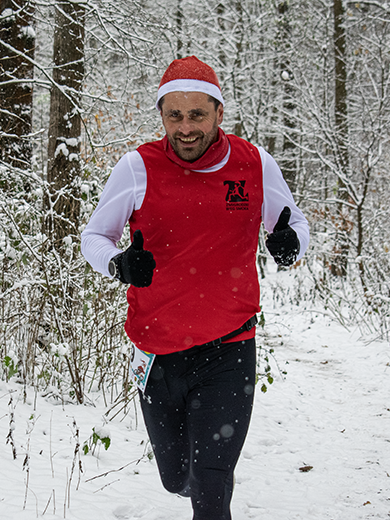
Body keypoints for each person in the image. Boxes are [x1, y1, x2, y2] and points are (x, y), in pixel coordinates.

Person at [80, 55, 309, 520]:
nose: (185, 128)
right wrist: (119, 263)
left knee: (210, 481)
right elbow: (94, 237)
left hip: (230, 348)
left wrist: (290, 243)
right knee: (177, 478)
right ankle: (196, 479)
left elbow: (294, 223)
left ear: (219, 112)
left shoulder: (254, 164)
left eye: (197, 115)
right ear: (162, 115)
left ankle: (211, 486)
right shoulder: (137, 168)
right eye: (175, 116)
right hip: (158, 353)